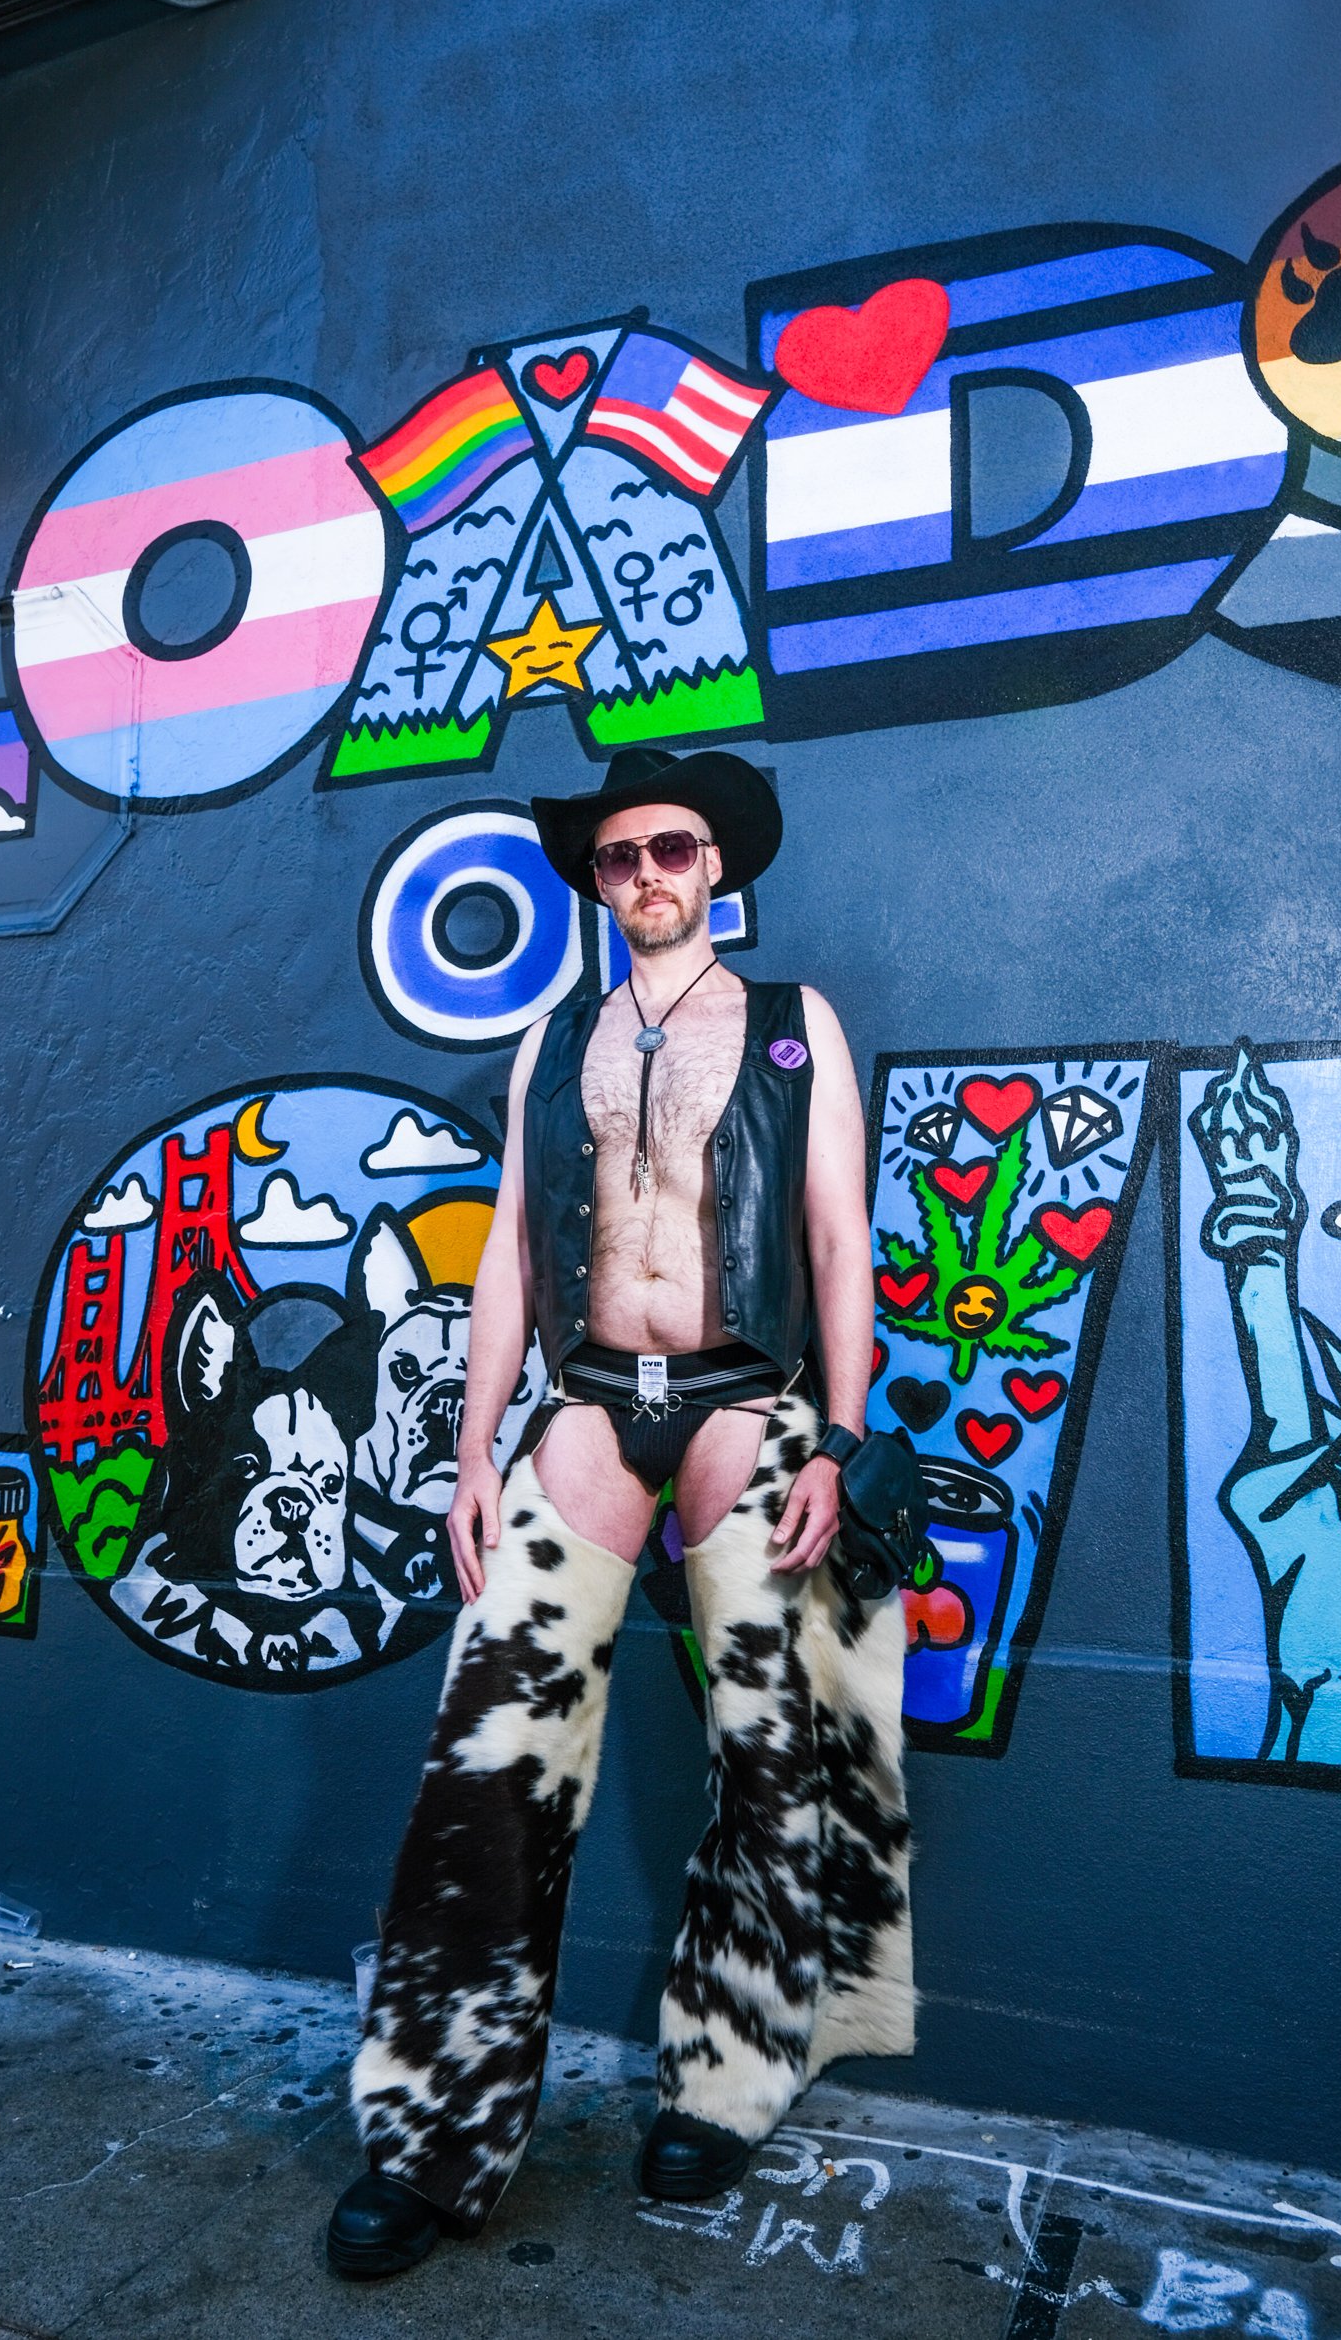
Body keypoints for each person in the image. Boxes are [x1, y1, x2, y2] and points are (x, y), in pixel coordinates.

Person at [327, 745, 914, 2279]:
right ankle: (434, 2132)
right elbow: (512, 1252)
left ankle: (732, 2086)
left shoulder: (795, 1030)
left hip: (748, 1397)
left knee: (773, 1753)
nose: (646, 875)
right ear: (596, 879)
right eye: (618, 858)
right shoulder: (553, 1039)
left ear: (719, 866)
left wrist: (840, 1437)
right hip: (589, 1399)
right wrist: (472, 1449)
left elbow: (841, 1236)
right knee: (488, 1762)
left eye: (673, 849)